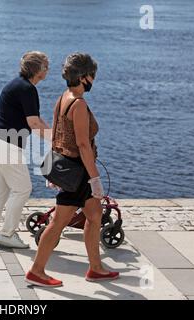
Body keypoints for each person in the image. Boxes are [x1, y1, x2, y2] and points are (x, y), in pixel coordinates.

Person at [25, 53, 120, 286]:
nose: (94, 81)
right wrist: (94, 178)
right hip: (79, 173)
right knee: (58, 222)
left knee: (95, 215)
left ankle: (96, 268)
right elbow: (82, 144)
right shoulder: (78, 104)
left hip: (70, 169)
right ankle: (37, 271)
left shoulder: (63, 98)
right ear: (84, 77)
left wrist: (56, 167)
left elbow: (57, 134)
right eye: (93, 76)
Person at [0, 51, 51, 249]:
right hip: (5, 145)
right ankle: (7, 234)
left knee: (0, 189)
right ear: (37, 70)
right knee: (23, 189)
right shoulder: (27, 89)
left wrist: (52, 132)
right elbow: (34, 123)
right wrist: (55, 139)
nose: (48, 69)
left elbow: (36, 119)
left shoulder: (21, 85)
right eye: (46, 66)